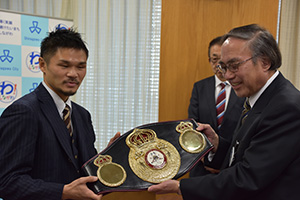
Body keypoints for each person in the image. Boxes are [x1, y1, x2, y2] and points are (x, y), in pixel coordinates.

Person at [148, 24, 300, 199]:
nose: (227, 76)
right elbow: (247, 154)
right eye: (223, 67)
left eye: (234, 66)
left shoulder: (286, 107)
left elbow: (249, 178)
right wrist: (218, 145)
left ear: (265, 62)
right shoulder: (259, 97)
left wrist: (180, 186)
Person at [0, 29, 119, 200]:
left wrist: (110, 157)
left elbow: (85, 173)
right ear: (42, 65)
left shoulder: (82, 115)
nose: (73, 74)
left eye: (81, 66)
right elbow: (6, 182)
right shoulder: (24, 111)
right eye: (64, 66)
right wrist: (63, 192)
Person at [188, 36, 244, 175]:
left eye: (223, 60)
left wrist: (223, 160)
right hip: (201, 163)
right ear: (209, 61)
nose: (219, 64)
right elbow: (192, 123)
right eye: (214, 59)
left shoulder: (243, 88)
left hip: (232, 165)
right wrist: (201, 155)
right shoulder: (200, 87)